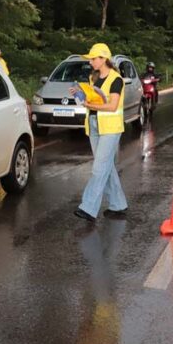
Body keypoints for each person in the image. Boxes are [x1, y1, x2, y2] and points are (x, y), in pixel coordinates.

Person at [71, 43, 128, 222]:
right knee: (106, 166)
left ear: (104, 59)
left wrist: (90, 104)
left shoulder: (116, 79)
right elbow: (91, 99)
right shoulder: (93, 78)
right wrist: (80, 94)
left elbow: (112, 106)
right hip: (94, 124)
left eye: (93, 59)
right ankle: (118, 205)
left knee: (98, 168)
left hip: (110, 128)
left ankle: (88, 208)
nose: (91, 62)